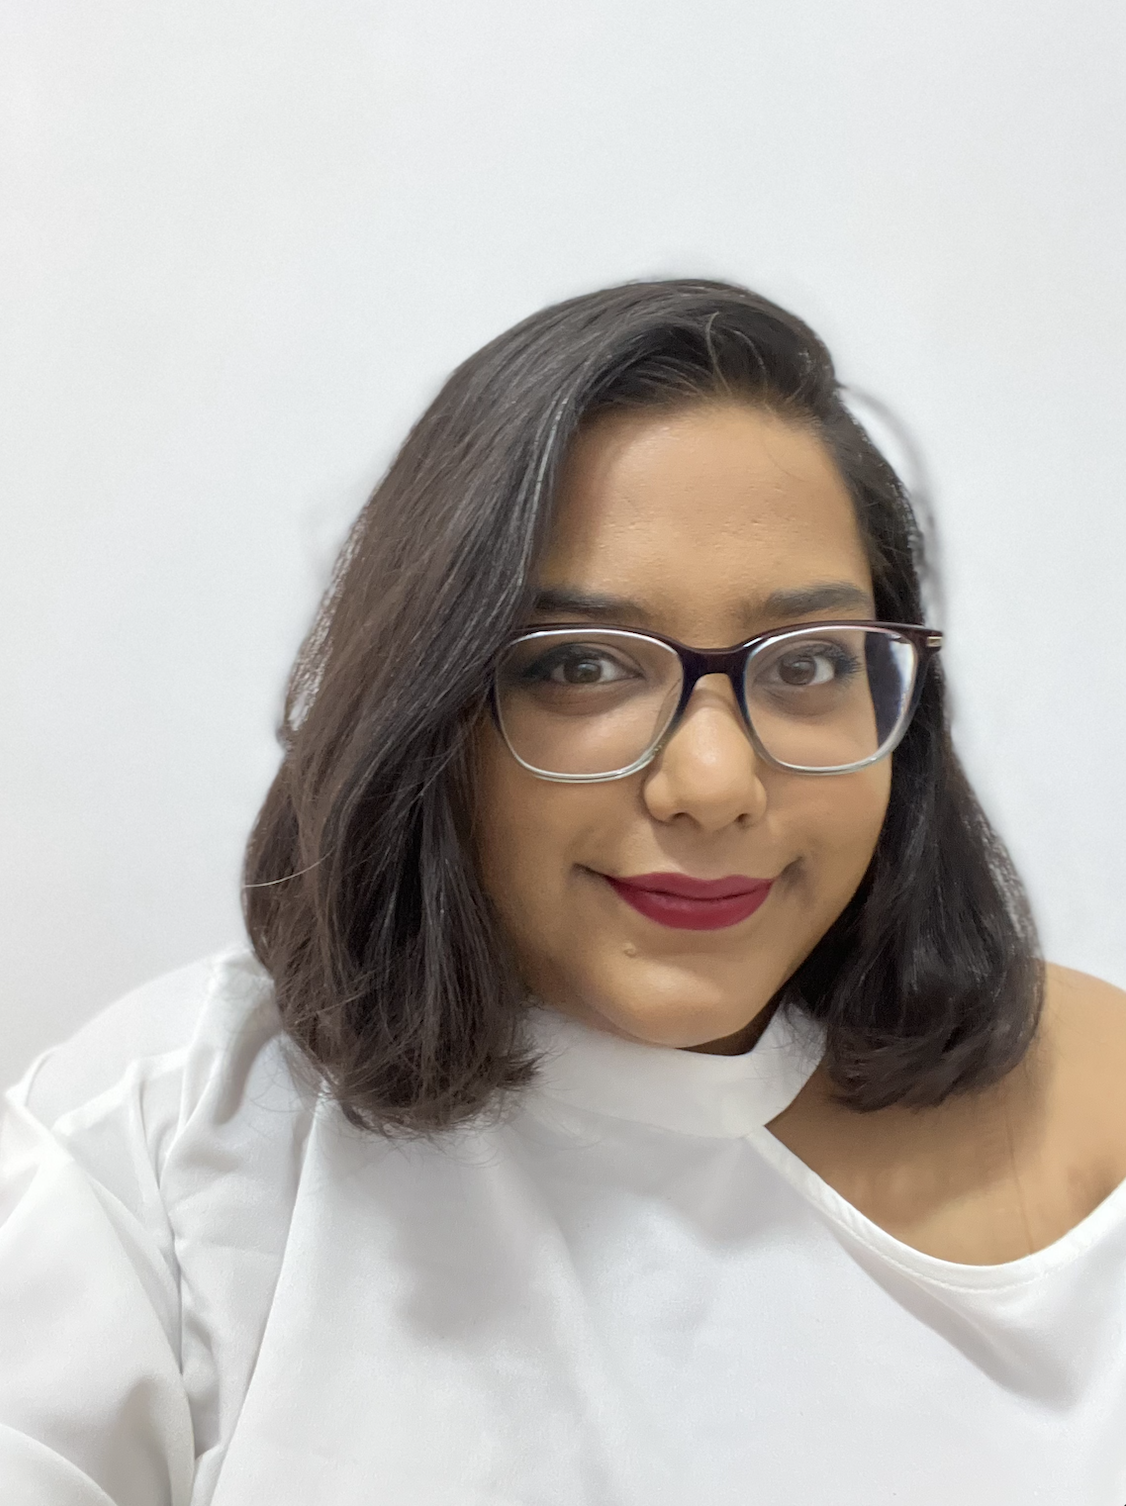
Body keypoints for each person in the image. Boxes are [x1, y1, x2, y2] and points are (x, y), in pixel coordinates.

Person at [2, 280, 1125, 1506]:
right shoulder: (158, 1156)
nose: (713, 783)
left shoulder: (1088, 1110)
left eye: (806, 664)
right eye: (581, 666)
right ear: (427, 711)